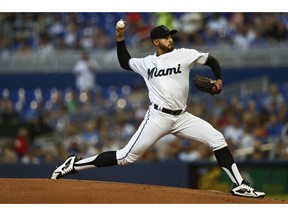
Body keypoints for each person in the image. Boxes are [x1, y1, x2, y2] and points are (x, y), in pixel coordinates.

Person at [51, 20, 265, 198]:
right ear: (156, 41)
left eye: (171, 36)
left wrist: (218, 80)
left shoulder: (184, 54)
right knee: (126, 157)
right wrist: (119, 38)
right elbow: (125, 62)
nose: (170, 39)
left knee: (217, 138)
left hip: (182, 117)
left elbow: (212, 60)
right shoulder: (147, 63)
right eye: (165, 37)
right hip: (158, 117)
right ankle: (76, 164)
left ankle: (239, 184)